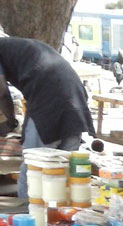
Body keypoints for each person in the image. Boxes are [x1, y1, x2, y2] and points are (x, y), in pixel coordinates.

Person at [0, 36, 95, 198]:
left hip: (49, 101)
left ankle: (28, 218)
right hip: (75, 98)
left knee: (33, 170)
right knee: (61, 171)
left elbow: (1, 92)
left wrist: (8, 123)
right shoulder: (17, 46)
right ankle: (58, 218)